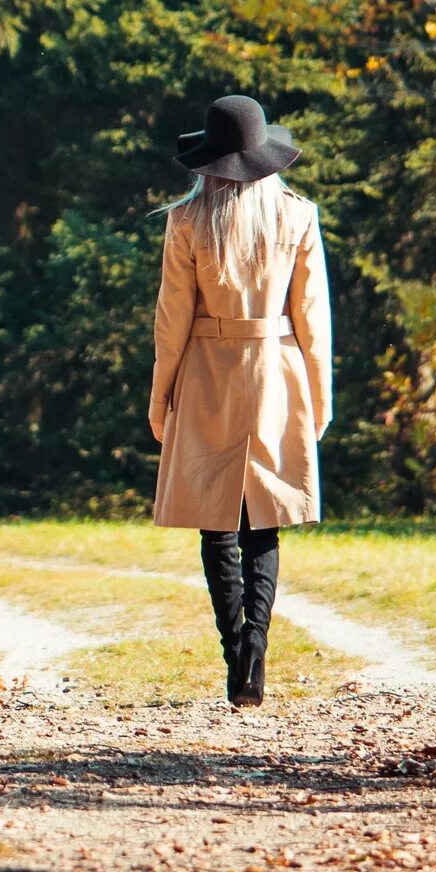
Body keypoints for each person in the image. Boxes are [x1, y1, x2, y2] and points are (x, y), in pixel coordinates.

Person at [148, 94, 333, 708]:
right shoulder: (297, 216)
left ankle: (236, 650)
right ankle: (257, 645)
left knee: (216, 522)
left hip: (206, 372)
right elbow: (312, 318)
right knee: (264, 522)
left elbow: (172, 321)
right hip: (278, 372)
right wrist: (320, 394)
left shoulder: (186, 221)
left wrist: (160, 395)